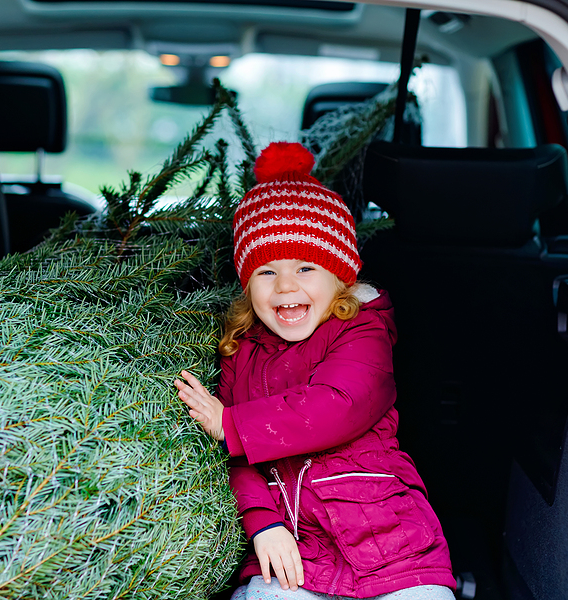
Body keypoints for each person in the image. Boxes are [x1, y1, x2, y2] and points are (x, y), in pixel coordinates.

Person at [174, 142, 455, 600]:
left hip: (388, 538)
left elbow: (338, 405)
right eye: (265, 272)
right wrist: (262, 524)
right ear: (247, 284)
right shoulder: (240, 351)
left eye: (305, 267)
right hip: (295, 545)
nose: (286, 285)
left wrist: (230, 423)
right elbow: (238, 461)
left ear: (339, 276)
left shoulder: (363, 329)